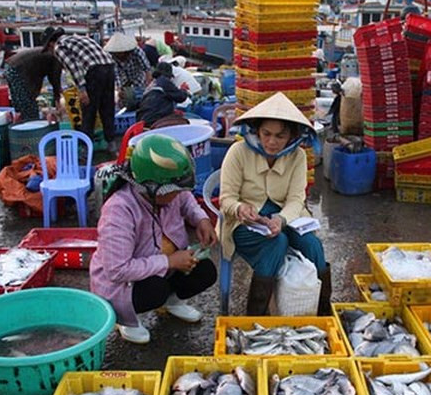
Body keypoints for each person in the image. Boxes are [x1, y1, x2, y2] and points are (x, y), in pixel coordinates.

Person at [90, 134, 218, 344]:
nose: (177, 195)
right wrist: (169, 261)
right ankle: (127, 320)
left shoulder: (170, 192)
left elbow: (186, 199)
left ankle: (172, 302)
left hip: (165, 265)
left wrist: (201, 220)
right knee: (154, 290)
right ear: (149, 188)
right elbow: (117, 269)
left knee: (205, 270)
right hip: (124, 283)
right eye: (173, 191)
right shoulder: (118, 210)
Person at [219, 92, 331, 316]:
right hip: (243, 223)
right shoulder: (238, 152)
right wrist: (240, 208)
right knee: (276, 243)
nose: (272, 142)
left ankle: (322, 312)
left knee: (313, 246)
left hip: (287, 216)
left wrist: (281, 219)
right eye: (266, 134)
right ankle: (257, 316)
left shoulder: (297, 156)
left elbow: (296, 199)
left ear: (291, 135)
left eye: (280, 136)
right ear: (257, 131)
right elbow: (226, 199)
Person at [41, 26, 116, 143]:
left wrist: (82, 90)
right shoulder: (80, 38)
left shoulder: (59, 47)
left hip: (94, 71)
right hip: (109, 67)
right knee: (107, 108)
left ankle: (85, 148)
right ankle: (112, 143)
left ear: (51, 43)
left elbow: (74, 67)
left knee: (88, 112)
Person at [4, 47, 62, 121]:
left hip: (10, 66)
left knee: (19, 103)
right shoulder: (57, 57)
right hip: (18, 70)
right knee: (29, 106)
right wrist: (57, 98)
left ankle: (19, 123)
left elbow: (51, 76)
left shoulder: (50, 54)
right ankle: (31, 126)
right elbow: (55, 78)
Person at [104, 32, 151, 108]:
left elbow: (147, 69)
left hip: (137, 75)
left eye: (121, 53)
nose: (120, 55)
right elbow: (115, 74)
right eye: (117, 53)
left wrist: (149, 86)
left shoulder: (137, 52)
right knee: (125, 97)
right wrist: (119, 89)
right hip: (123, 76)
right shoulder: (111, 56)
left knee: (141, 96)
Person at [136, 62, 190, 127]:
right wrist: (183, 89)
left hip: (143, 120)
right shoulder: (164, 81)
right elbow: (181, 97)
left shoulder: (151, 84)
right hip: (155, 119)